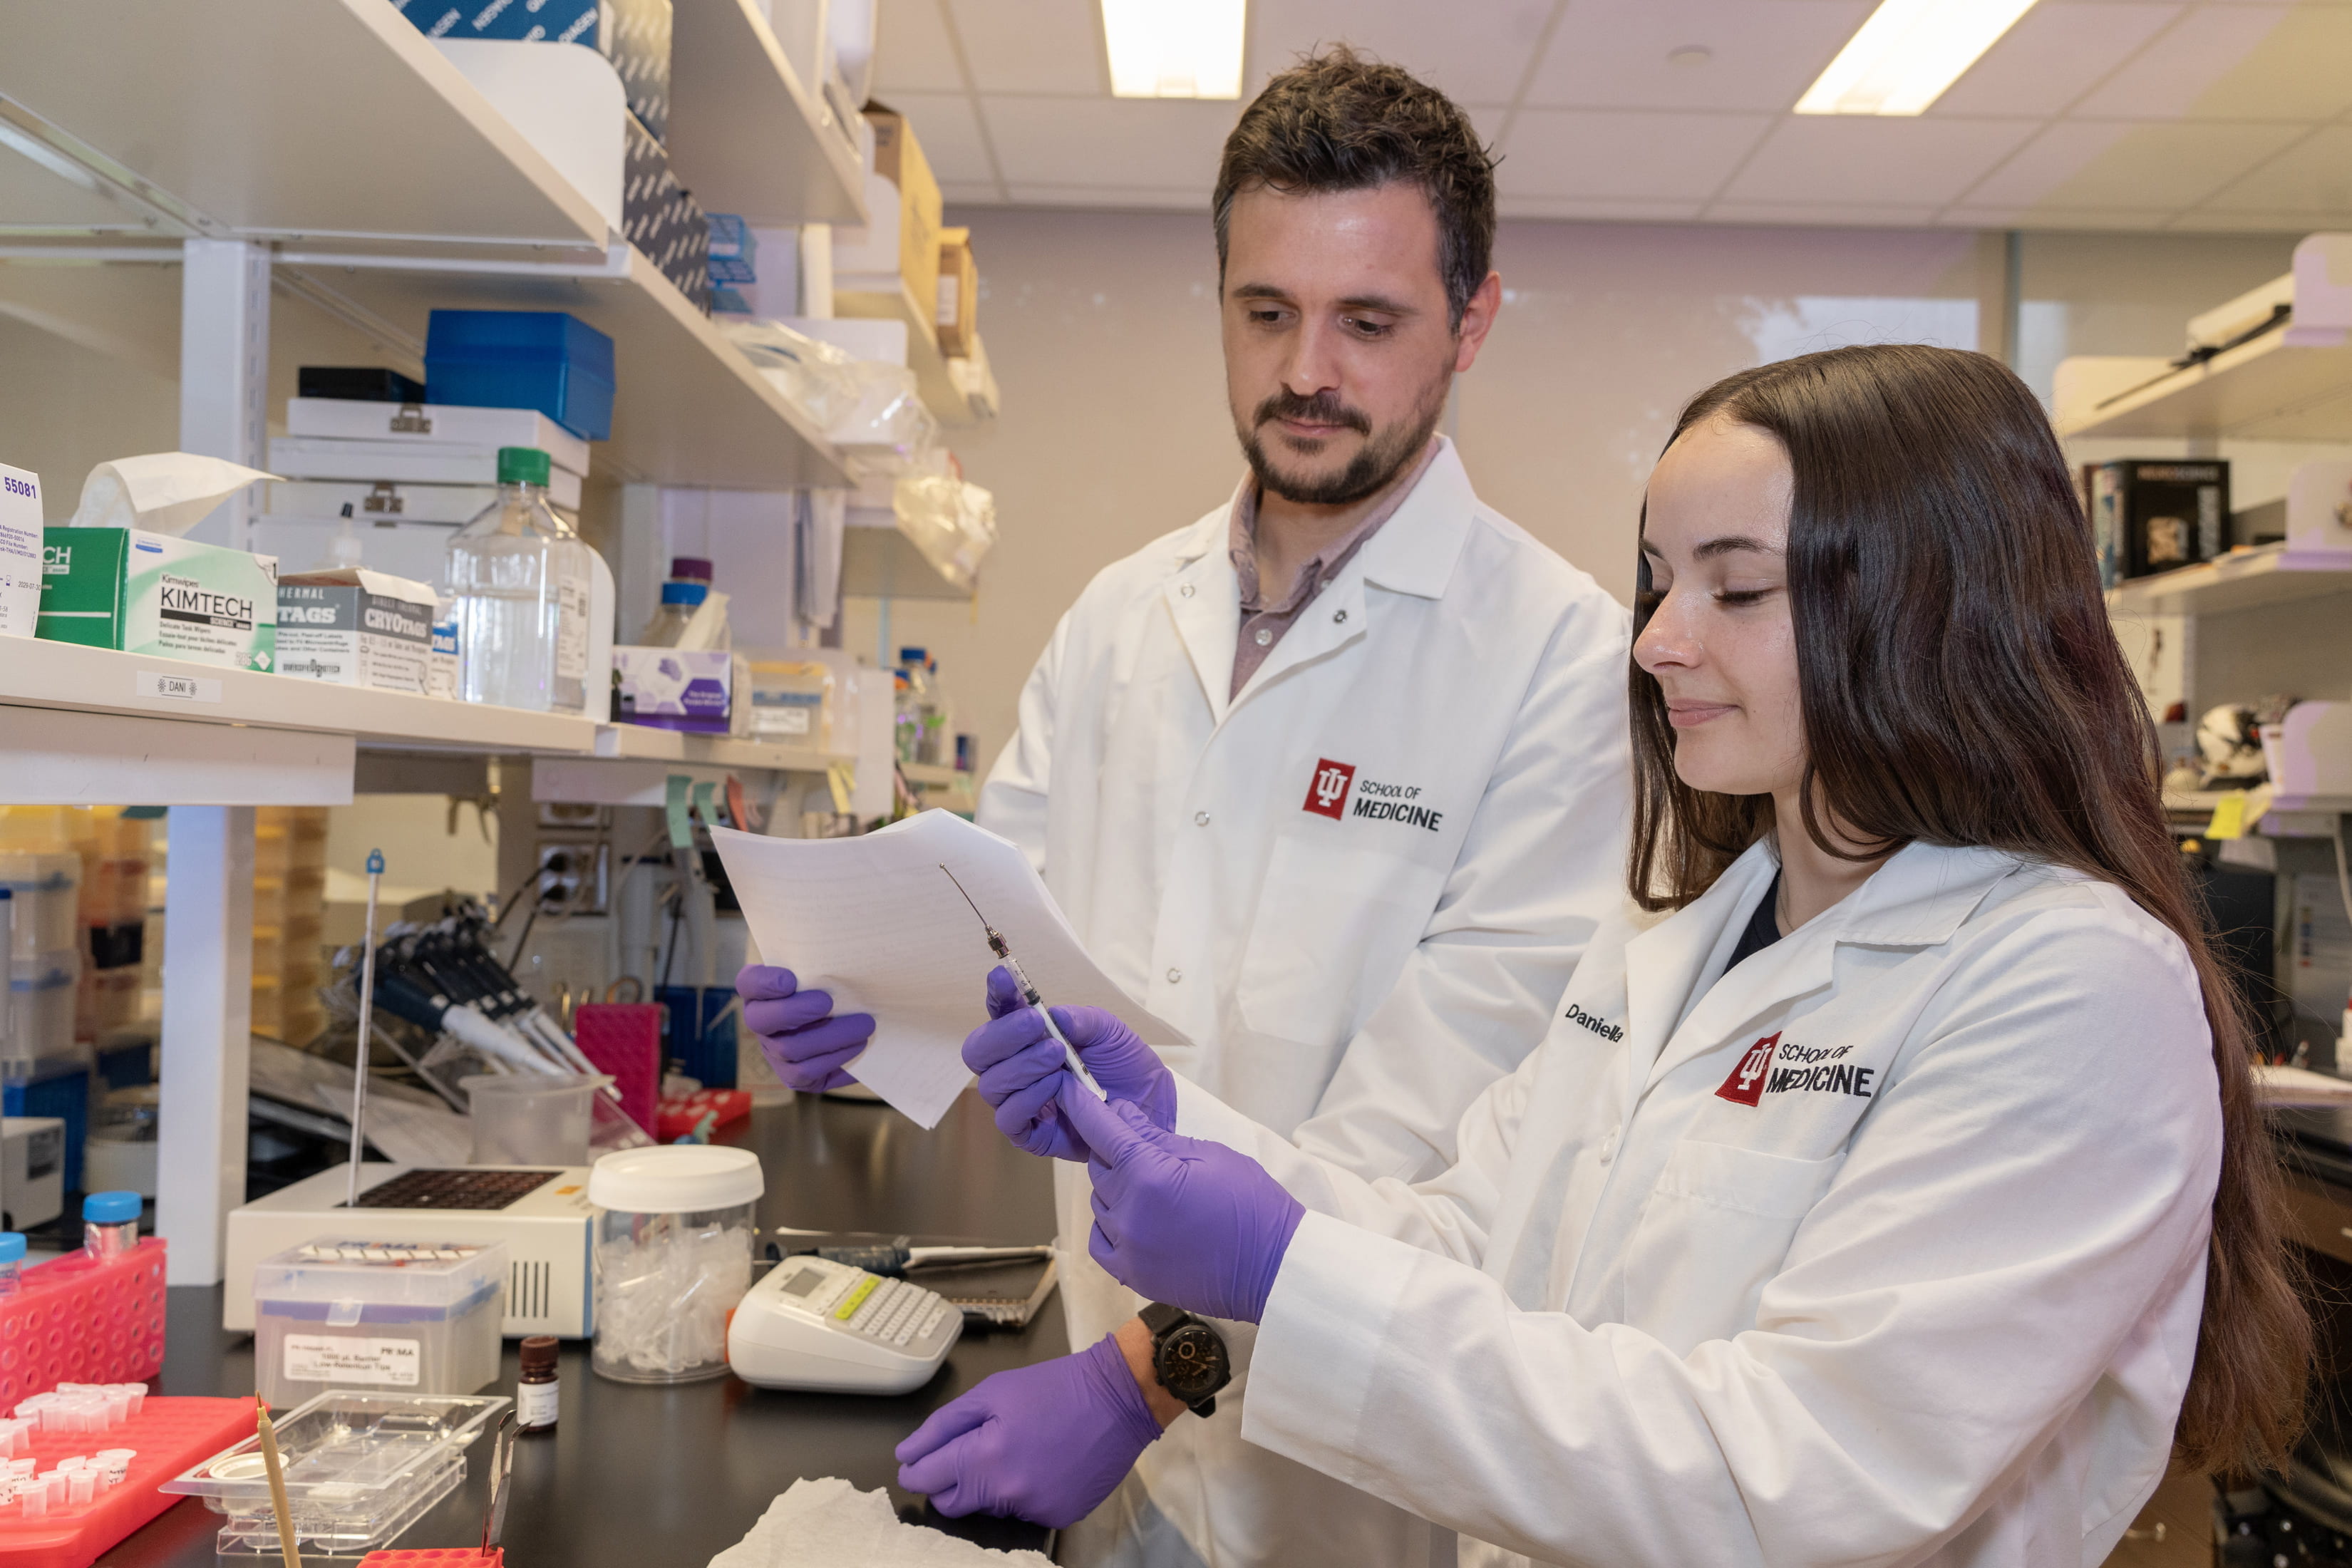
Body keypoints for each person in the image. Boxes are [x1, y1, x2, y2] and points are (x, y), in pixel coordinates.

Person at [911, 344, 2311, 1567]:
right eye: (1657, 579)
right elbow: (1482, 1234)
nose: (1654, 639)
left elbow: (1794, 1472)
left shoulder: (2070, 987)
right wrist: (1184, 1135)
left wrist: (1283, 1271)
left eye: (1734, 588)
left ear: (1922, 603)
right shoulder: (1684, 930)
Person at [741, 46, 1633, 1568]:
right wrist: (861, 1006)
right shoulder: (1117, 616)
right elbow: (999, 927)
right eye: (1266, 311)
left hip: (1355, 1481)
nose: (1309, 370)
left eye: (1370, 321)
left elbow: (1442, 1139)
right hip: (1109, 1443)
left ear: (1470, 322)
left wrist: (1151, 1376)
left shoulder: (1564, 663)